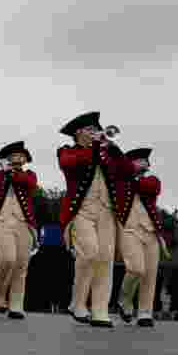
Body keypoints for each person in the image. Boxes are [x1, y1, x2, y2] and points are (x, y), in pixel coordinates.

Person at [57, 111, 132, 327]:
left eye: (97, 130)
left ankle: (100, 310)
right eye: (91, 130)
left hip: (107, 211)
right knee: (89, 252)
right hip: (81, 210)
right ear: (78, 133)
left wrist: (114, 149)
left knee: (105, 259)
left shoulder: (107, 153)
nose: (96, 133)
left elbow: (127, 171)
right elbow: (69, 164)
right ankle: (77, 303)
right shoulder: (67, 151)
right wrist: (96, 147)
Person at [0, 141, 38, 319]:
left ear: (25, 159)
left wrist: (11, 172)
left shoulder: (30, 175)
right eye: (14, 156)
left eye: (21, 156)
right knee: (8, 259)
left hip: (24, 223)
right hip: (1, 222)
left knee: (21, 265)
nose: (18, 158)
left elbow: (29, 184)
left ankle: (16, 305)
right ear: (7, 158)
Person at [116, 147, 164, 327]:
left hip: (151, 231)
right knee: (136, 268)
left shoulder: (152, 180)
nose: (144, 163)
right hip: (129, 229)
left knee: (150, 274)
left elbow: (151, 188)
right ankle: (125, 300)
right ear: (131, 163)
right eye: (139, 160)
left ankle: (145, 312)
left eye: (145, 161)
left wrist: (130, 176)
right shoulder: (121, 182)